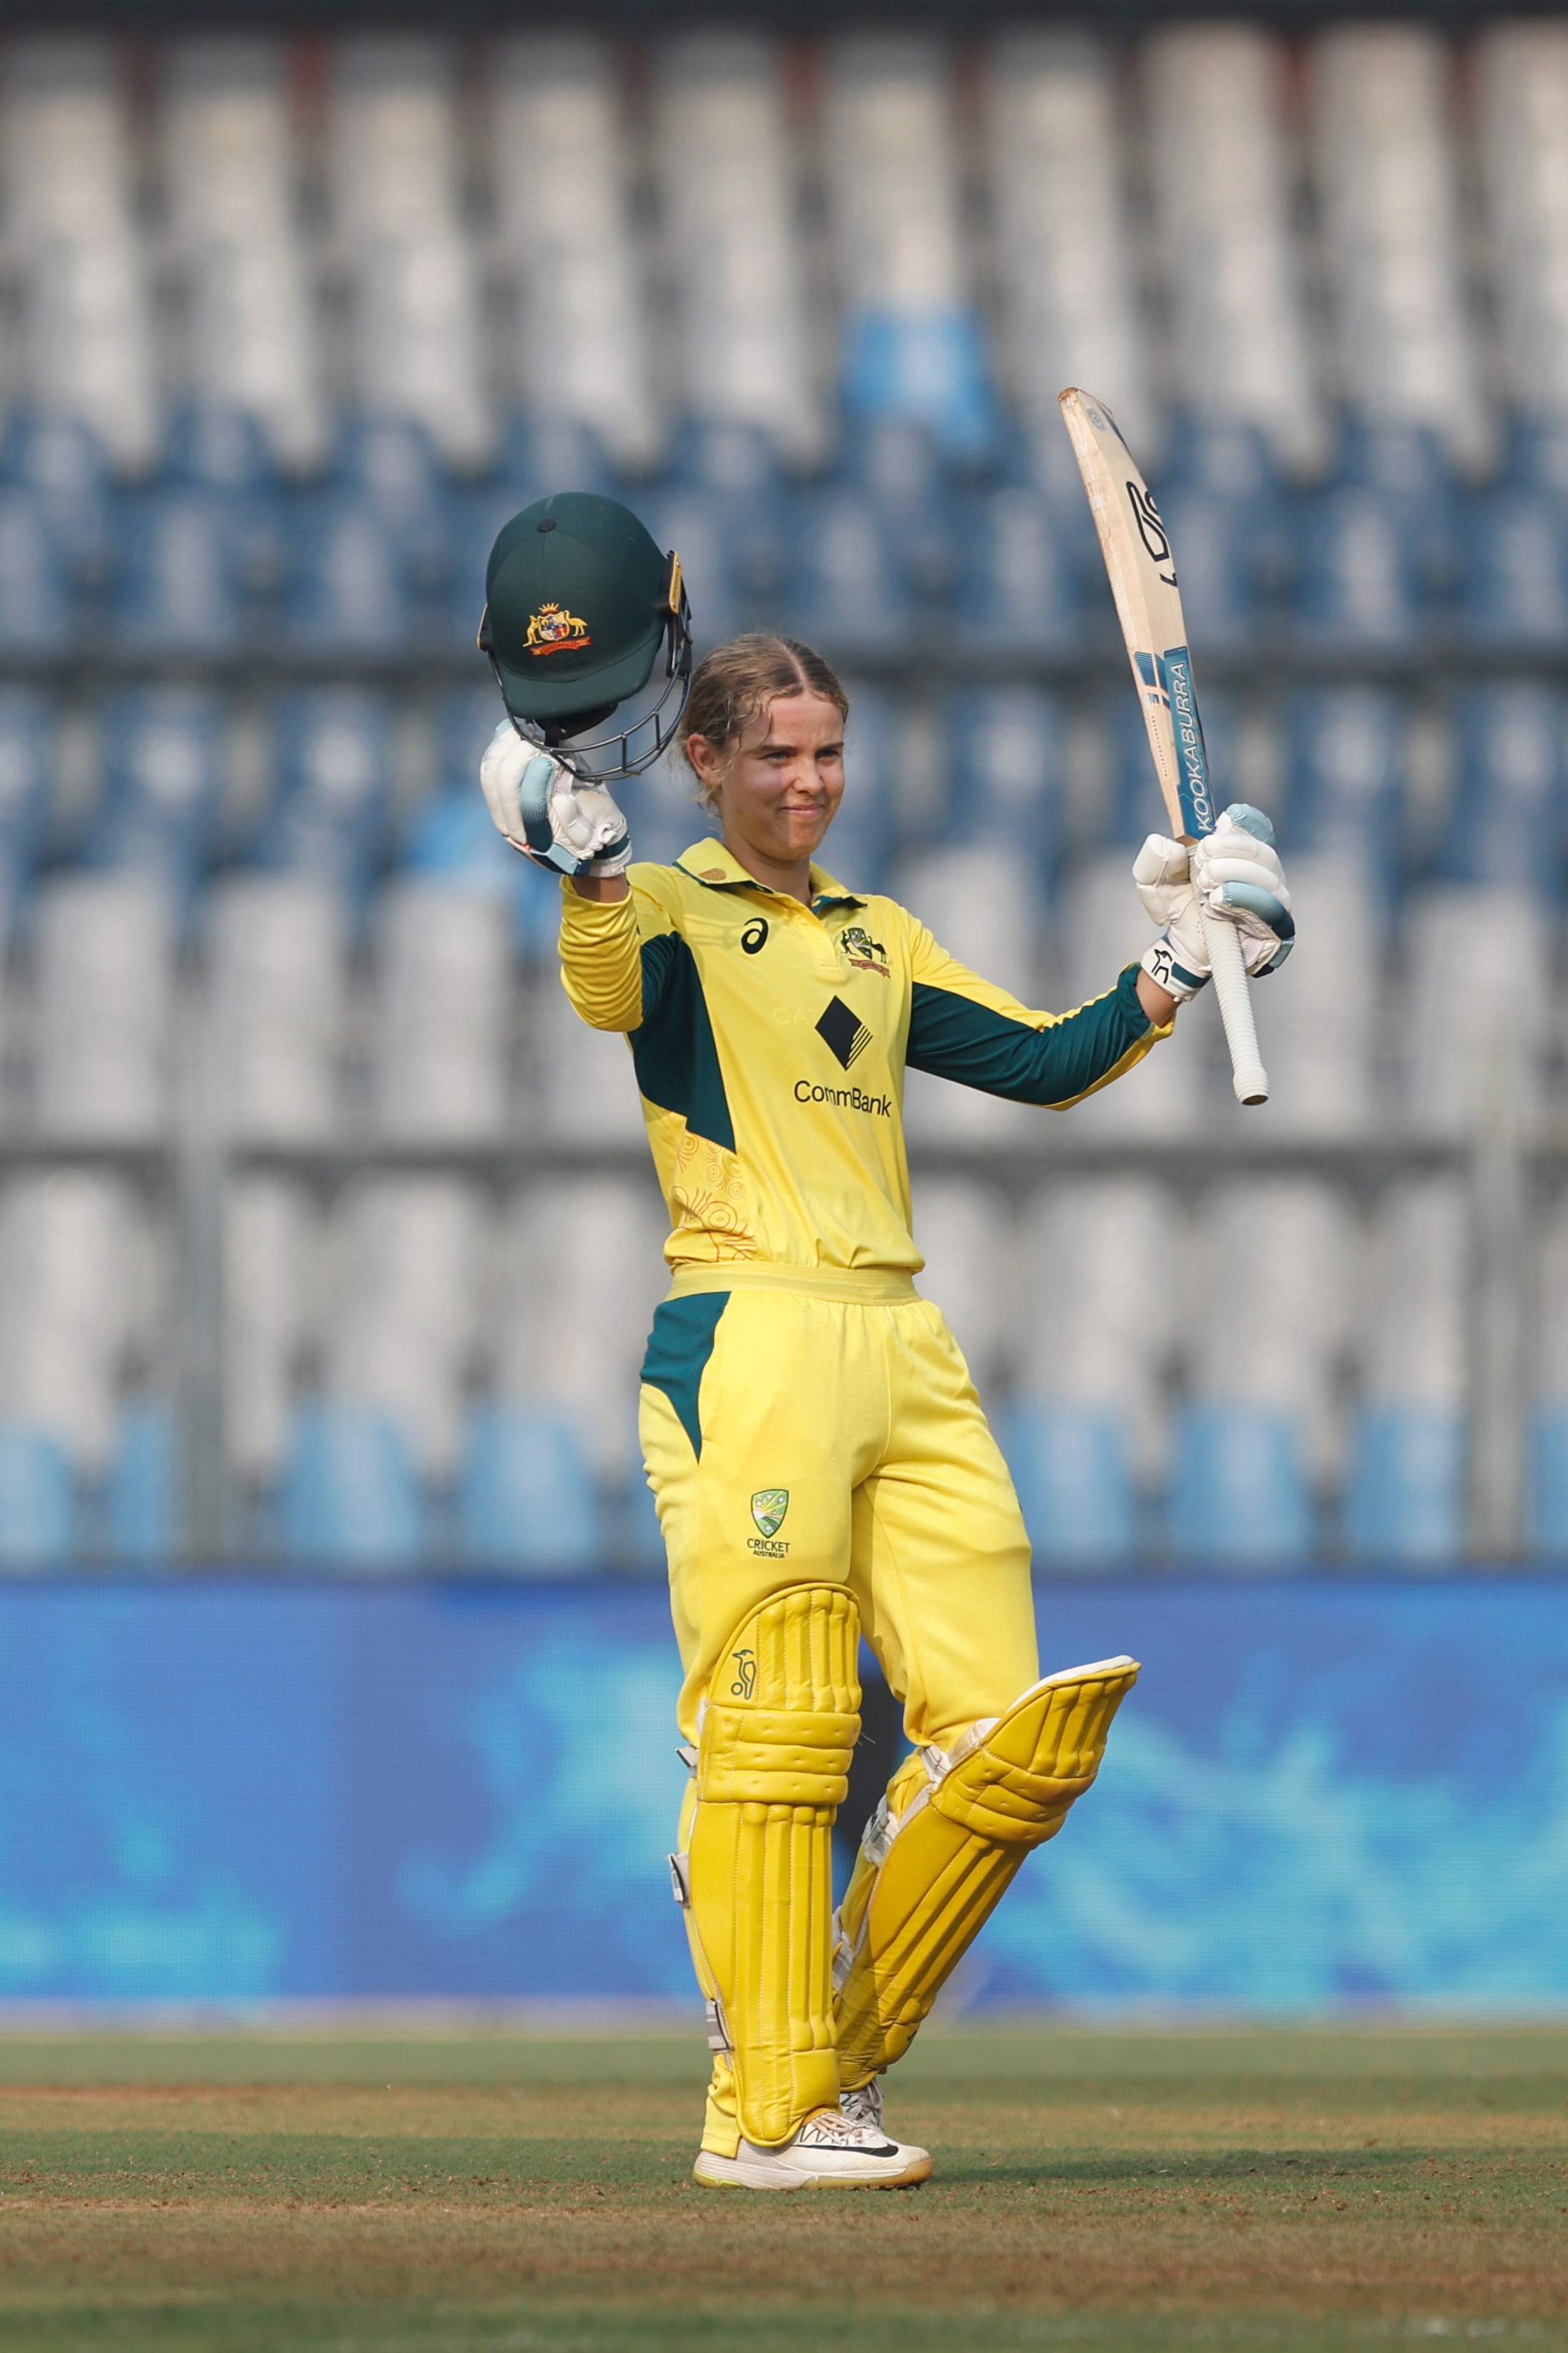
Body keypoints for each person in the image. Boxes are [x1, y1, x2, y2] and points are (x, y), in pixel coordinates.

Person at [479, 493, 1293, 2192]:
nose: (807, 783)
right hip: (749, 1333)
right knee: (777, 1730)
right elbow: (607, 990)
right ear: (702, 761)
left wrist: (1185, 957)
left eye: (827, 752)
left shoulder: (877, 933)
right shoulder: (671, 912)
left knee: (1005, 1738)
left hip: (899, 1340)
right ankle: (767, 2116)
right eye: (774, 754)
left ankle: (818, 2060)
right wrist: (584, 858)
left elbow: (1046, 1061)